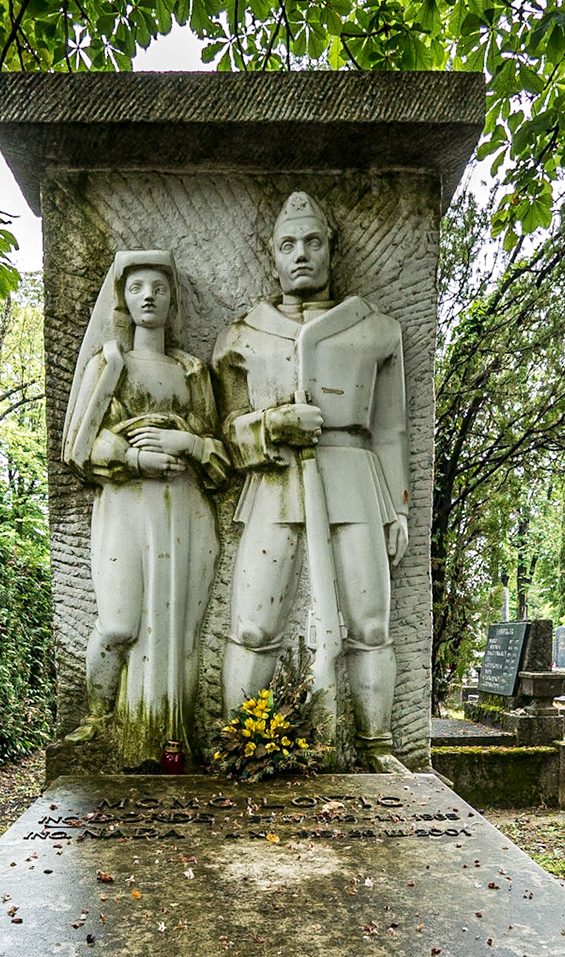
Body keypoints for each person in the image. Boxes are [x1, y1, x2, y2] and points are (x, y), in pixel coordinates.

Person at [213, 192, 410, 771]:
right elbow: (226, 430)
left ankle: (377, 746)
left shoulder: (376, 330)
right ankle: (240, 745)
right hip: (274, 482)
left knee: (370, 622)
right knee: (253, 624)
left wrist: (398, 508)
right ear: (272, 256)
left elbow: (391, 429)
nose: (301, 254)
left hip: (355, 480)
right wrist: (271, 424)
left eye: (313, 242)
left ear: (331, 249)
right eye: (288, 245)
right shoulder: (241, 335)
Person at [62, 250, 227, 763]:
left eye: (159, 286)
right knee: (118, 625)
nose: (148, 296)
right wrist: (134, 459)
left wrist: (188, 445)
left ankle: (172, 739)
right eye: (136, 288)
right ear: (123, 299)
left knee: (179, 632)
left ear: (173, 299)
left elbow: (219, 454)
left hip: (186, 508)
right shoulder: (109, 362)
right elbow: (79, 446)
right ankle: (98, 716)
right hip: (126, 504)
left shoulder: (192, 370)